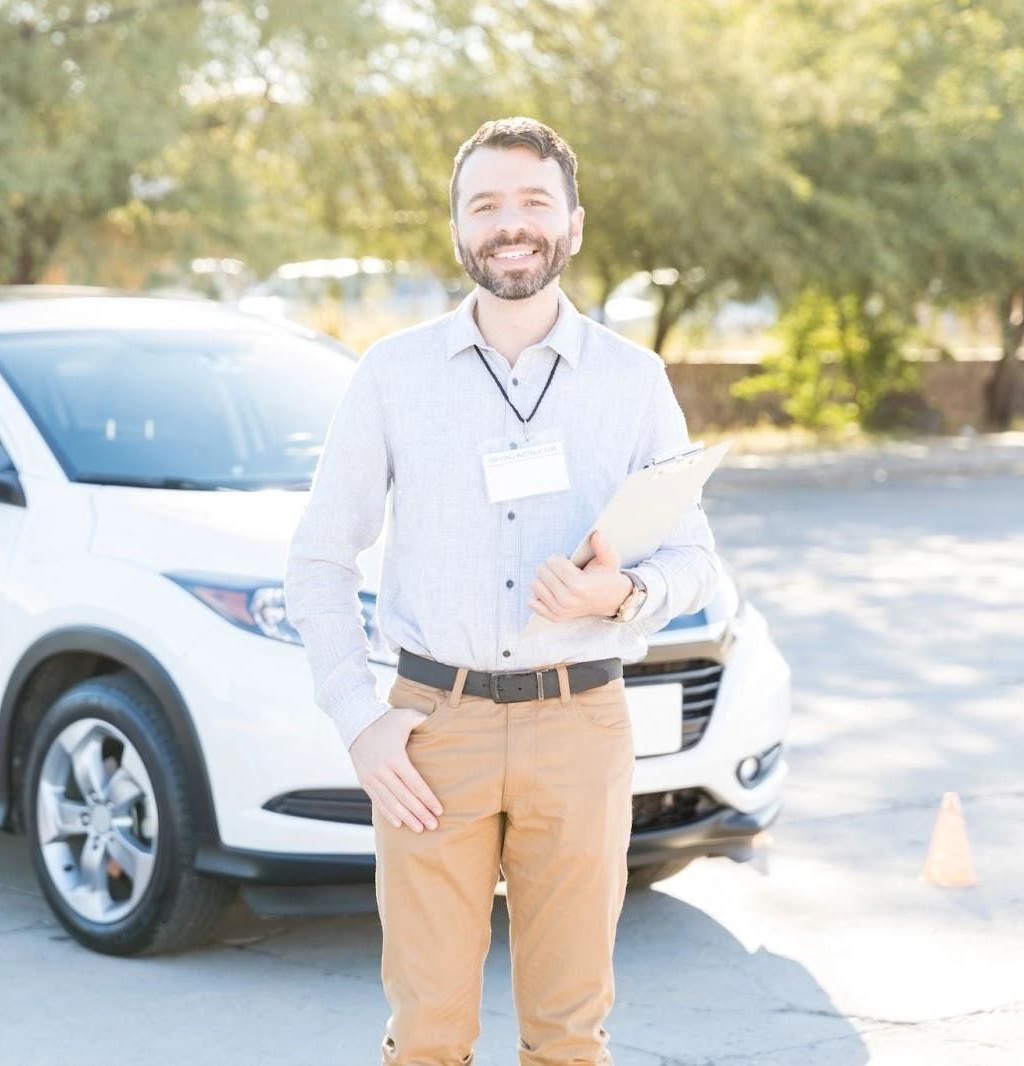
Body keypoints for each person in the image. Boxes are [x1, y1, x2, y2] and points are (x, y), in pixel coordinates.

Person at [283, 116, 721, 1065]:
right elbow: (320, 561)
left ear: (571, 223)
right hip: (433, 732)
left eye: (532, 201)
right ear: (456, 230)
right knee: (428, 1034)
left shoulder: (634, 380)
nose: (509, 223)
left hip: (581, 724)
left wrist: (618, 596)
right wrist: (359, 719)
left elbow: (697, 563)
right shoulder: (392, 376)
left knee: (569, 1036)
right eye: (485, 205)